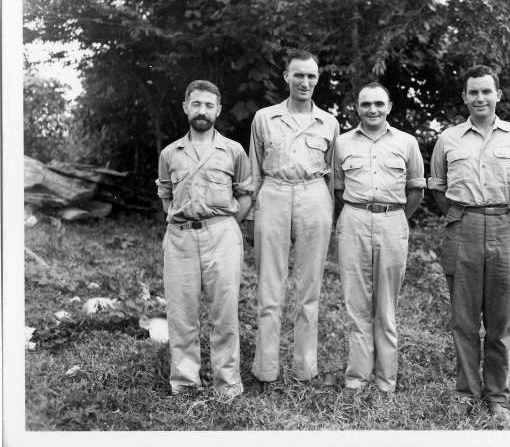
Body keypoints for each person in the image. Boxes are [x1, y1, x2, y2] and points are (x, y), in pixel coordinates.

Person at [428, 65, 510, 421]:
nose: (480, 98)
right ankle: (465, 393)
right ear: (464, 97)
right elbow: (437, 186)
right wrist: (466, 215)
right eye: (473, 92)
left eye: (486, 91)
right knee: (463, 320)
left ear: (498, 95)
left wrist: (502, 212)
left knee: (500, 321)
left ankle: (498, 398)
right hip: (461, 227)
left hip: (504, 228)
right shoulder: (448, 139)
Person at [245, 50, 339, 393]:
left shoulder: (328, 122)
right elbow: (254, 170)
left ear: (318, 79)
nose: (305, 82)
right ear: (286, 76)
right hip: (274, 194)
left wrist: (327, 208)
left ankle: (304, 369)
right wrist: (252, 214)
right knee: (270, 289)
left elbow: (333, 175)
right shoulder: (264, 118)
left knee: (309, 289)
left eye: (311, 76)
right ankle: (265, 371)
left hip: (314, 195)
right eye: (298, 75)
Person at [156, 80, 253, 398]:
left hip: (222, 236)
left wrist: (221, 224)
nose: (202, 111)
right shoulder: (171, 153)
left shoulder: (233, 151)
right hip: (180, 239)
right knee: (181, 313)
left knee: (224, 313)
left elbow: (246, 194)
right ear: (186, 108)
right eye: (196, 104)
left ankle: (227, 383)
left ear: (219, 110)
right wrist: (184, 221)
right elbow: (166, 196)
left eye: (209, 105)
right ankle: (184, 382)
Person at [333, 83, 425, 395]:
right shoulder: (342, 143)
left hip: (392, 221)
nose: (372, 109)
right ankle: (357, 379)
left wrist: (393, 218)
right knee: (357, 305)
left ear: (389, 106)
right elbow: (336, 187)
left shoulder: (407, 142)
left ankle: (387, 381)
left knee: (386, 308)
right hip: (354, 220)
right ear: (356, 108)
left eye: (379, 103)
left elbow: (416, 189)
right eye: (366, 104)